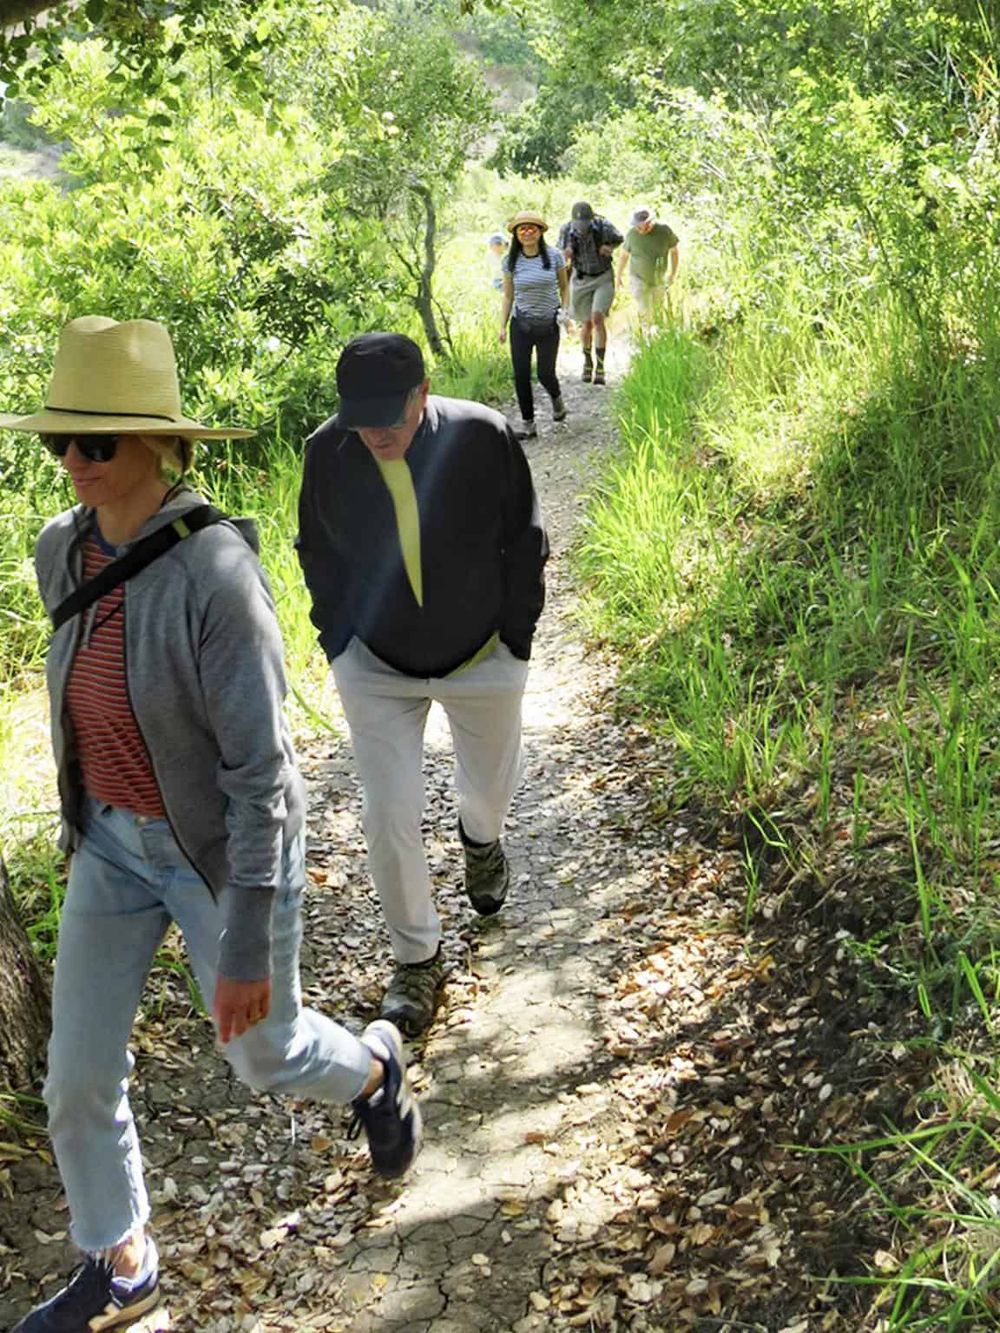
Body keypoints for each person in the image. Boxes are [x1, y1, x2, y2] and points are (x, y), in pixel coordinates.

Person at [5, 316, 420, 1333]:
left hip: (218, 854)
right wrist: (81, 823)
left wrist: (242, 938)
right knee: (75, 1079)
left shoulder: (216, 575)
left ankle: (375, 1071)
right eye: (60, 439)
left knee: (264, 1053)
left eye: (96, 440)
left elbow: (262, 773)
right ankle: (122, 1262)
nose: (73, 460)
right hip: (110, 842)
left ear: (159, 444)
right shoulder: (62, 548)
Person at [296, 332, 548, 1036]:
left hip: (484, 658)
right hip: (376, 666)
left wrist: (516, 640)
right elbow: (315, 550)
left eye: (391, 417)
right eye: (361, 419)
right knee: (387, 812)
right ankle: (416, 959)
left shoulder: (482, 435)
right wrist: (339, 641)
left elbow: (525, 540)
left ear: (423, 394)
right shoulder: (327, 451)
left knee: (489, 792)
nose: (376, 433)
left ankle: (481, 840)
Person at [498, 209, 569, 441]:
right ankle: (528, 424)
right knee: (521, 375)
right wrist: (502, 326)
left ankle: (557, 401)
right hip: (521, 325)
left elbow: (564, 287)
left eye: (532, 228)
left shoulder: (555, 256)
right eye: (522, 229)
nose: (527, 232)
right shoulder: (510, 261)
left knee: (545, 374)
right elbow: (508, 296)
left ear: (540, 232)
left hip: (548, 324)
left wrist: (565, 313)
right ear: (516, 234)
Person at [557, 200, 623, 385]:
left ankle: (600, 366)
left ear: (591, 219)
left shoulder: (603, 226)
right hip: (581, 278)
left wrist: (609, 247)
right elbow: (560, 251)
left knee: (597, 318)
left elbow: (620, 238)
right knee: (586, 323)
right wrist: (566, 253)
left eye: (585, 223)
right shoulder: (566, 230)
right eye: (579, 224)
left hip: (602, 277)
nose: (582, 227)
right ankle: (587, 361)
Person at [617, 205, 680, 327]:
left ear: (649, 222)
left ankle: (657, 333)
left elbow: (674, 252)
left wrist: (673, 274)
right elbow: (624, 255)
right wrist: (618, 276)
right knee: (644, 309)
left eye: (640, 225)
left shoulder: (664, 231)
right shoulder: (632, 235)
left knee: (657, 310)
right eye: (636, 225)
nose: (638, 228)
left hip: (659, 279)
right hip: (638, 279)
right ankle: (646, 332)